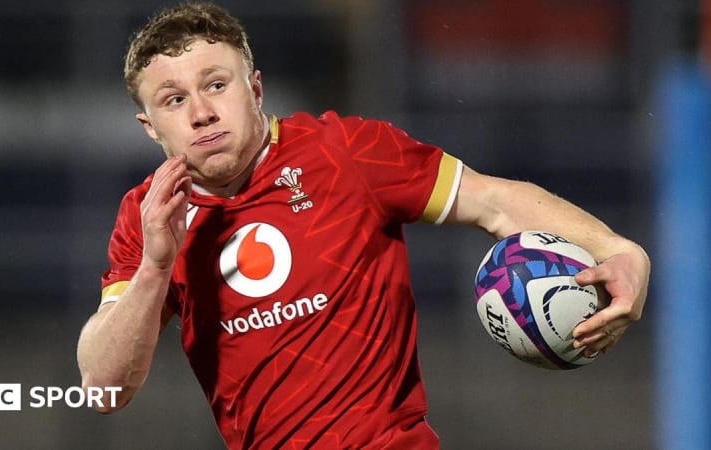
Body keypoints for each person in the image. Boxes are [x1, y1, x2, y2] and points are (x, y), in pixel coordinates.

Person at [76, 3, 650, 448]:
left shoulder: (346, 152)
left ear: (255, 88)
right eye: (173, 100)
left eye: (216, 85)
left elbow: (494, 201)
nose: (201, 112)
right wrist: (155, 266)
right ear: (150, 127)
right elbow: (103, 390)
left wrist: (619, 249)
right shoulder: (148, 215)